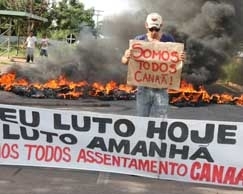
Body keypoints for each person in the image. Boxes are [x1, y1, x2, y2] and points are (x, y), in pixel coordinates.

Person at [121, 12, 184, 118]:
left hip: (161, 89)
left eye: (157, 29)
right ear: (146, 25)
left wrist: (181, 58)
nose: (154, 32)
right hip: (143, 89)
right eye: (151, 29)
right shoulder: (139, 40)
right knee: (141, 119)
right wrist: (126, 56)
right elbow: (124, 61)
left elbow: (175, 63)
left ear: (161, 26)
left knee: (160, 122)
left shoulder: (168, 39)